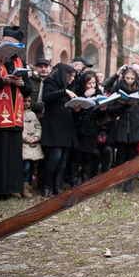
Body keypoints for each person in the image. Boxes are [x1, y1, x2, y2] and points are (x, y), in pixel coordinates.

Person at [0, 26, 32, 199]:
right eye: (8, 43)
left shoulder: (19, 62)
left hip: (15, 117)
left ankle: (12, 188)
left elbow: (29, 89)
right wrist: (1, 79)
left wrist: (21, 83)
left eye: (15, 45)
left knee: (13, 154)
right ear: (1, 41)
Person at [106, 66, 139, 193]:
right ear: (123, 77)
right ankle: (120, 182)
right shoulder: (118, 88)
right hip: (122, 124)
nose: (129, 81)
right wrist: (122, 106)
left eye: (132, 78)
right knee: (120, 155)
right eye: (127, 78)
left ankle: (129, 183)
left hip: (135, 125)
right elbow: (110, 107)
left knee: (132, 155)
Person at [40, 63, 79, 197]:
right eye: (71, 76)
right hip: (54, 125)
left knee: (63, 159)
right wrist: (63, 92)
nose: (72, 79)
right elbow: (46, 98)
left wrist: (76, 108)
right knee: (55, 157)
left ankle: (57, 187)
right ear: (64, 74)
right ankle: (46, 187)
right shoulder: (51, 82)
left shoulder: (69, 86)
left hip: (66, 125)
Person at [72, 70, 107, 184]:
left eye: (93, 83)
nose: (92, 86)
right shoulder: (77, 92)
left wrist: (103, 110)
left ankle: (85, 181)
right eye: (89, 83)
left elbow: (100, 116)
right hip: (78, 128)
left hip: (91, 130)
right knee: (75, 158)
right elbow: (73, 111)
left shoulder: (98, 94)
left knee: (88, 157)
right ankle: (73, 181)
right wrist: (83, 97)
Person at [20, 95, 43, 198]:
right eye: (25, 101)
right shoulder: (18, 114)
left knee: (31, 166)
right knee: (25, 166)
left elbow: (38, 126)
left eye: (29, 101)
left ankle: (27, 185)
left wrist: (36, 136)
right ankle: (23, 185)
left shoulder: (32, 114)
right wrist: (25, 138)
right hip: (23, 144)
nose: (27, 103)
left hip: (32, 144)